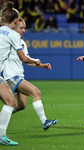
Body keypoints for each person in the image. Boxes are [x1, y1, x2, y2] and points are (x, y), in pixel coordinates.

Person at [3, 18, 57, 132]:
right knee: (36, 92)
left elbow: (27, 61)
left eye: (24, 28)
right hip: (12, 76)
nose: (23, 30)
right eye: (21, 28)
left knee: (21, 106)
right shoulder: (8, 40)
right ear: (14, 28)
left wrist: (42, 65)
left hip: (18, 76)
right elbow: (25, 59)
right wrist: (35, 60)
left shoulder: (21, 43)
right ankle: (44, 121)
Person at [0, 1, 41, 146]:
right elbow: (23, 58)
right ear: (16, 21)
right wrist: (36, 61)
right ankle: (1, 136)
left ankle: (1, 135)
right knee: (11, 102)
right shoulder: (13, 35)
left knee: (12, 102)